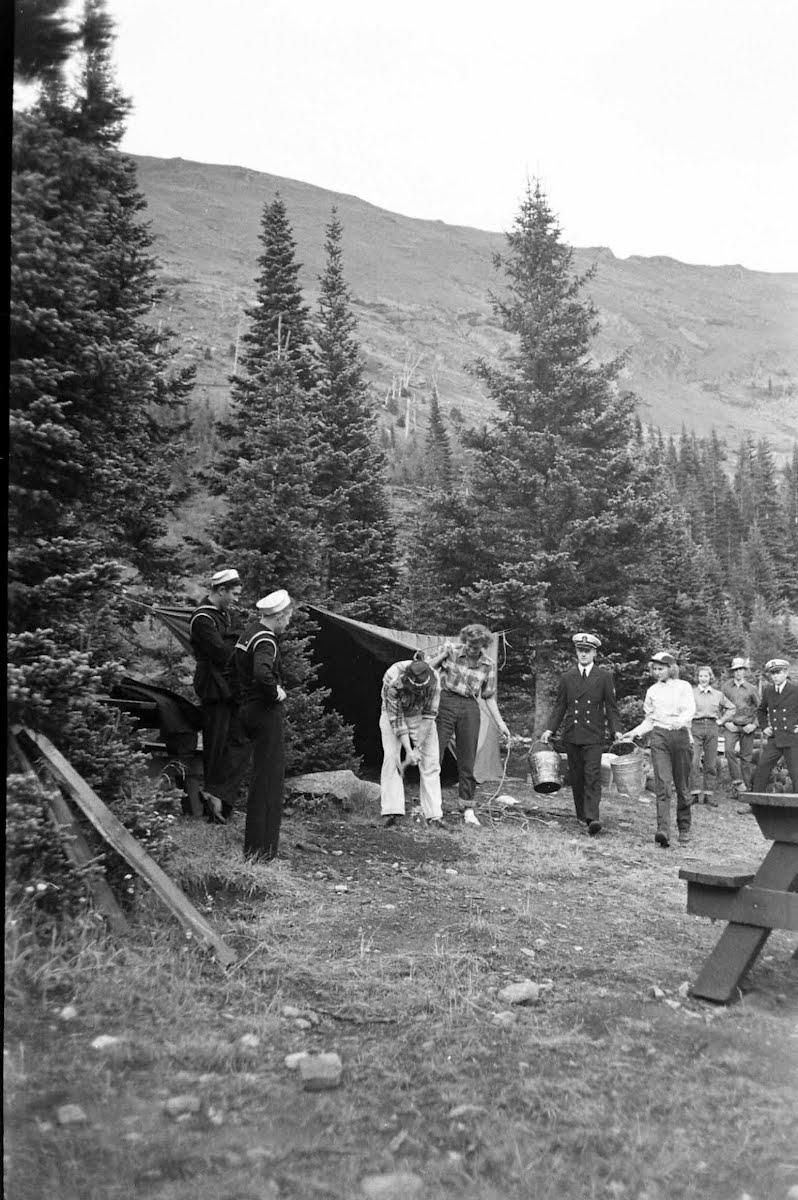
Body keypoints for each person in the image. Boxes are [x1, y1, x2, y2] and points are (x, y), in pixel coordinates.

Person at [428, 624, 510, 827]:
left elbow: (489, 697)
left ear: (484, 645)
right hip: (445, 702)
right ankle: (431, 806)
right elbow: (427, 670)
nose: (473, 649)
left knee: (468, 758)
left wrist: (501, 724)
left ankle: (467, 807)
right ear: (465, 641)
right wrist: (442, 655)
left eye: (478, 646)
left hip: (470, 707)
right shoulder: (451, 651)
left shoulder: (488, 664)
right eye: (470, 645)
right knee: (434, 754)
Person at [540, 632, 621, 836]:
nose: (583, 654)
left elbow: (611, 708)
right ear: (576, 652)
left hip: (593, 735)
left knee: (592, 775)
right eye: (580, 650)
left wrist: (616, 730)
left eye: (587, 651)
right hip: (572, 734)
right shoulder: (568, 677)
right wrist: (550, 729)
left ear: (594, 653)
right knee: (576, 776)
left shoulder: (604, 677)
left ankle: (593, 817)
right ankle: (581, 814)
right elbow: (560, 707)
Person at [235, 589, 293, 860]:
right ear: (279, 616)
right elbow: (262, 672)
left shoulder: (249, 633)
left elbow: (231, 668)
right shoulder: (266, 640)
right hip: (265, 712)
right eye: (288, 617)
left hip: (247, 708)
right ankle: (262, 851)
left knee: (261, 777)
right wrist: (275, 691)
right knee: (269, 780)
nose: (289, 622)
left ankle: (255, 848)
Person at [189, 567, 250, 822]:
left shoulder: (226, 616)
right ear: (221, 590)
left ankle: (220, 796)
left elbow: (240, 642)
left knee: (238, 743)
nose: (237, 599)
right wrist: (233, 642)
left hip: (232, 688)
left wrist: (232, 642)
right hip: (213, 688)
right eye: (233, 593)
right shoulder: (202, 619)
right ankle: (214, 806)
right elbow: (223, 652)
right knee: (216, 745)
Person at [620, 651, 696, 848]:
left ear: (671, 668)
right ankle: (663, 830)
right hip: (660, 736)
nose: (657, 672)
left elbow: (689, 710)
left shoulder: (683, 686)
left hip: (680, 736)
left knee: (682, 785)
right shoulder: (652, 691)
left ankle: (684, 827)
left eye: (660, 668)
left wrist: (680, 722)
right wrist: (633, 733)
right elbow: (650, 720)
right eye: (654, 669)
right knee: (662, 783)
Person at [379, 659, 444, 828]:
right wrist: (408, 749)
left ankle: (434, 815)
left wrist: (417, 748)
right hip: (393, 714)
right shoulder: (392, 678)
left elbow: (429, 716)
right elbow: (397, 720)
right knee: (391, 758)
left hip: (421, 716)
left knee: (431, 762)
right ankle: (392, 811)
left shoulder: (435, 680)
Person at [689, 666, 736, 807]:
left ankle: (708, 794)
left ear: (710, 678)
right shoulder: (691, 693)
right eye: (701, 676)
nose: (703, 678)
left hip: (712, 727)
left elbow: (732, 708)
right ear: (697, 677)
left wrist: (721, 721)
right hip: (695, 726)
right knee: (694, 761)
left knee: (711, 762)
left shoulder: (717, 694)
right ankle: (695, 794)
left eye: (706, 676)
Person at [750, 658, 798, 797]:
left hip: (792, 737)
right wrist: (764, 726)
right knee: (762, 768)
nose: (775, 676)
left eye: (778, 672)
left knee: (795, 772)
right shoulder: (768, 690)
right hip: (775, 738)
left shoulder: (795, 690)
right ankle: (755, 802)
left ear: (785, 672)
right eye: (773, 673)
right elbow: (761, 710)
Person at [721, 656, 760, 799]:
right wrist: (725, 723)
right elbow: (719, 706)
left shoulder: (752, 688)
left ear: (745, 671)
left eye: (741, 669)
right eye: (735, 670)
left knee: (746, 758)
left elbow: (760, 709)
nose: (738, 672)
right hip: (731, 725)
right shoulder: (726, 687)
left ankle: (747, 791)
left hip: (747, 727)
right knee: (729, 751)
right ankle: (738, 783)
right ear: (733, 671)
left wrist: (753, 724)